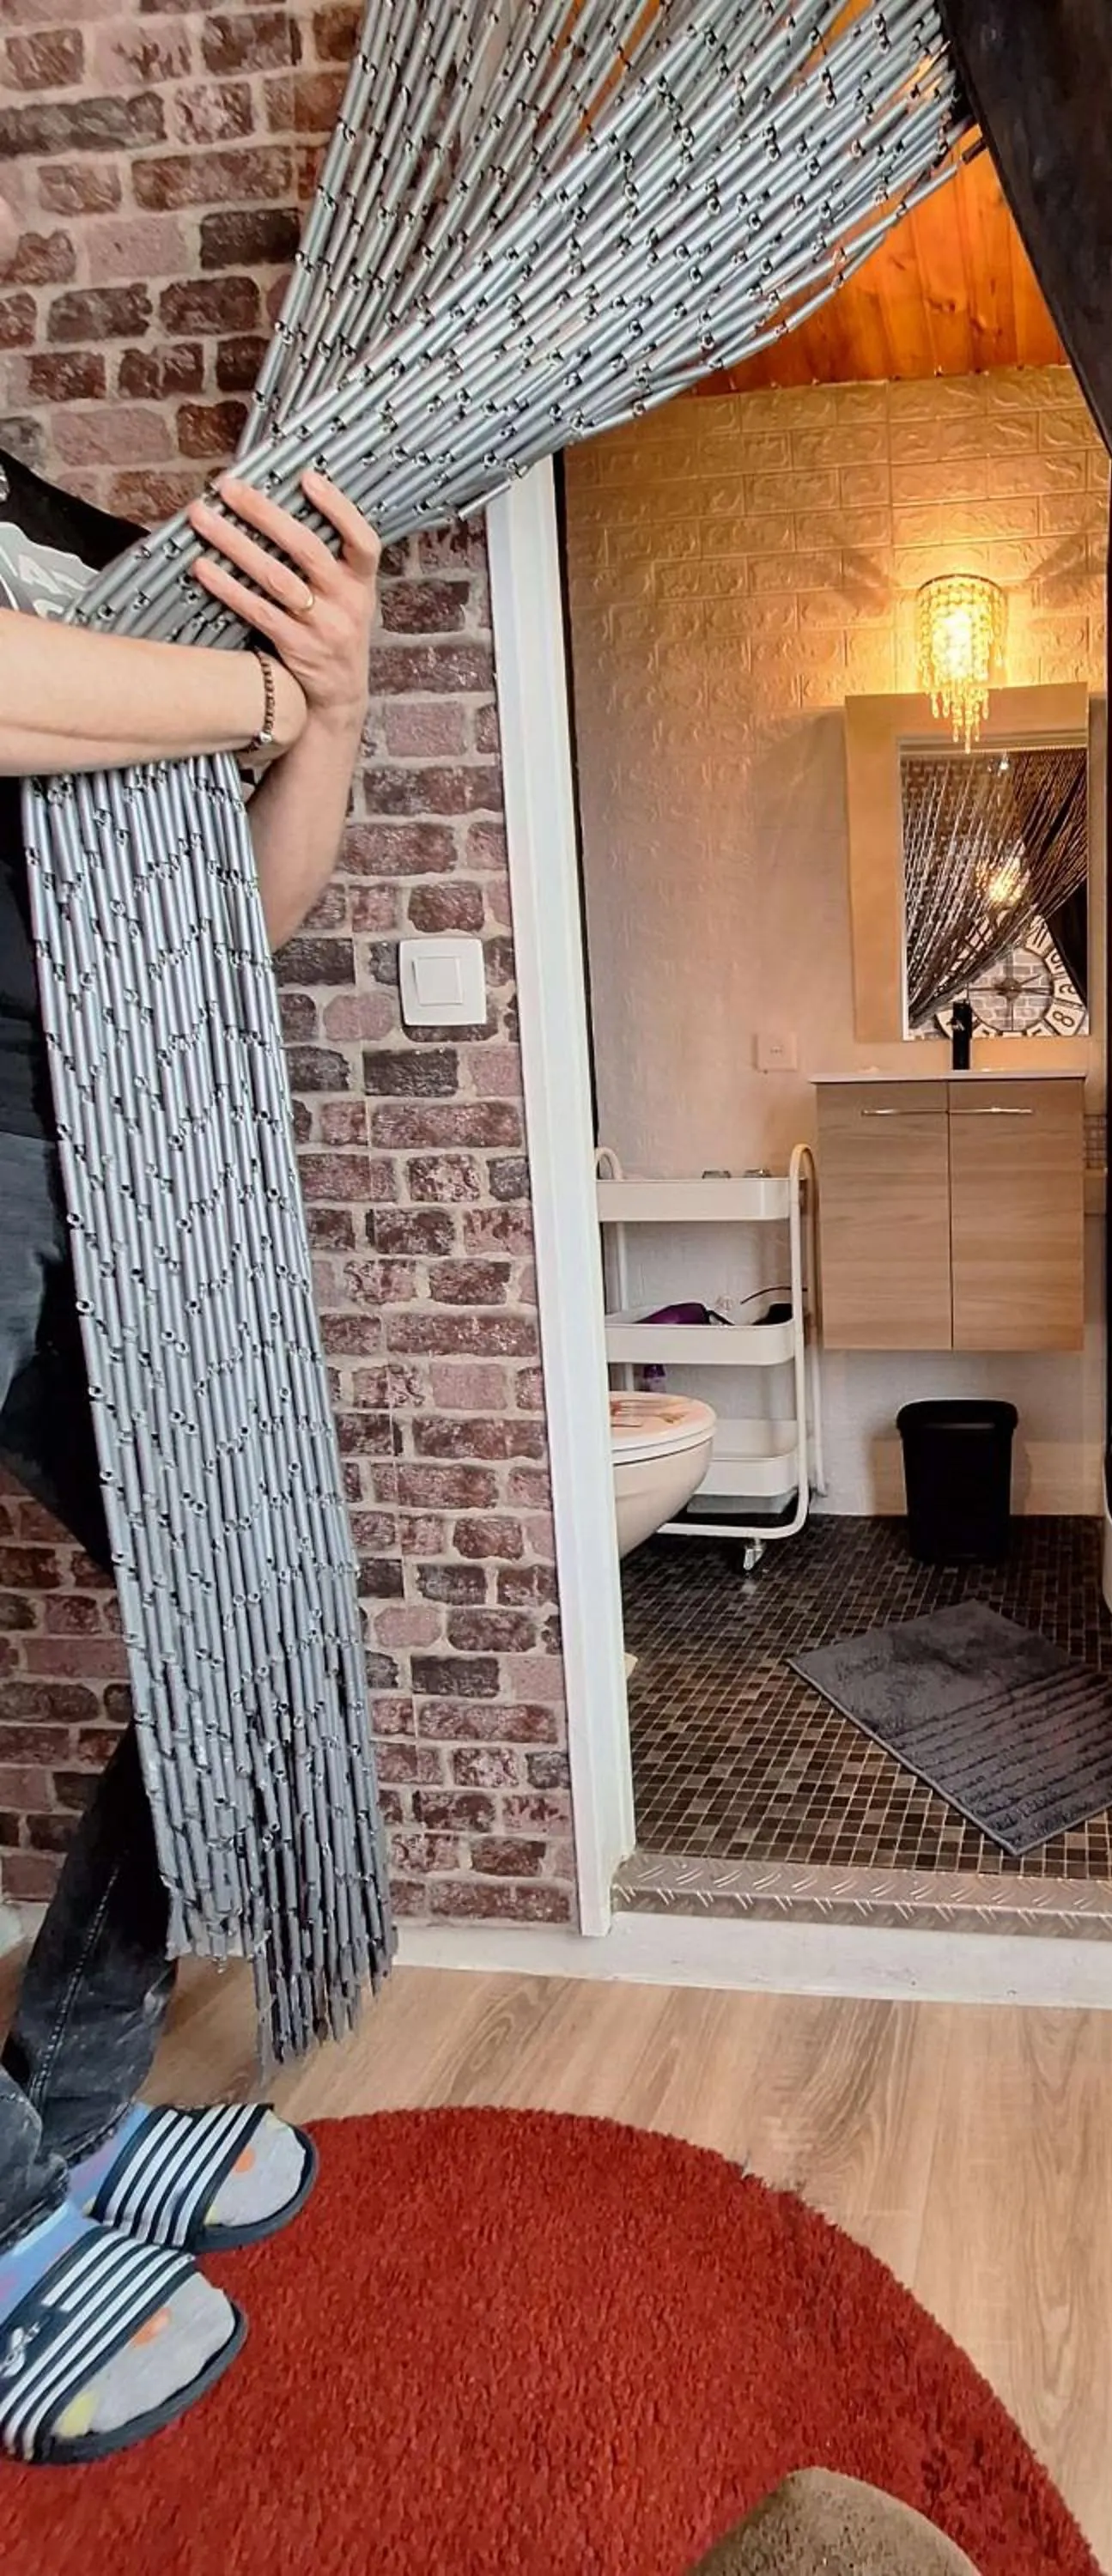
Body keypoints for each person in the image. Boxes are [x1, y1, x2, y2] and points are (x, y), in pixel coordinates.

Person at [0, 205, 381, 2470]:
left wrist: (328, 704)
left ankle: (72, 2087)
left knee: (234, 1609)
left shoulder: (61, 529)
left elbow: (239, 900)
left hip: (78, 1149)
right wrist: (266, 686)